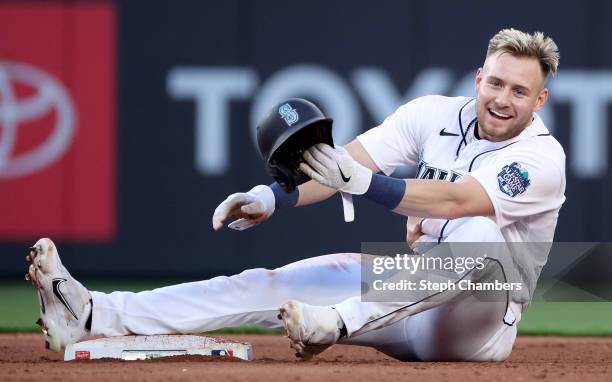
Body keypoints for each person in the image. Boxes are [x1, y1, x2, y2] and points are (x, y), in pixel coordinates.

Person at [27, 28, 565, 361]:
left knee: (481, 237)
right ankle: (94, 314)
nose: (502, 98)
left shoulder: (543, 158)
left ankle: (335, 324)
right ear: (478, 78)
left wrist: (366, 186)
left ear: (538, 100)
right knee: (267, 283)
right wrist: (274, 196)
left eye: (519, 90)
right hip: (401, 298)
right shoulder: (431, 114)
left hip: (477, 324)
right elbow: (344, 164)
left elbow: (455, 203)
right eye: (495, 82)